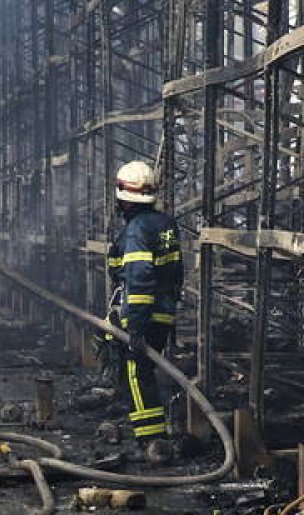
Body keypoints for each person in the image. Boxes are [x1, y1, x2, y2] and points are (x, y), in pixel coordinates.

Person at [105, 160, 182, 463]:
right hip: (163, 311)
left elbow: (138, 280)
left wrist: (135, 327)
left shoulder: (136, 230)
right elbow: (176, 271)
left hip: (144, 315)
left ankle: (152, 440)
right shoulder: (166, 224)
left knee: (138, 371)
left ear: (123, 195)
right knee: (142, 371)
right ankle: (153, 434)